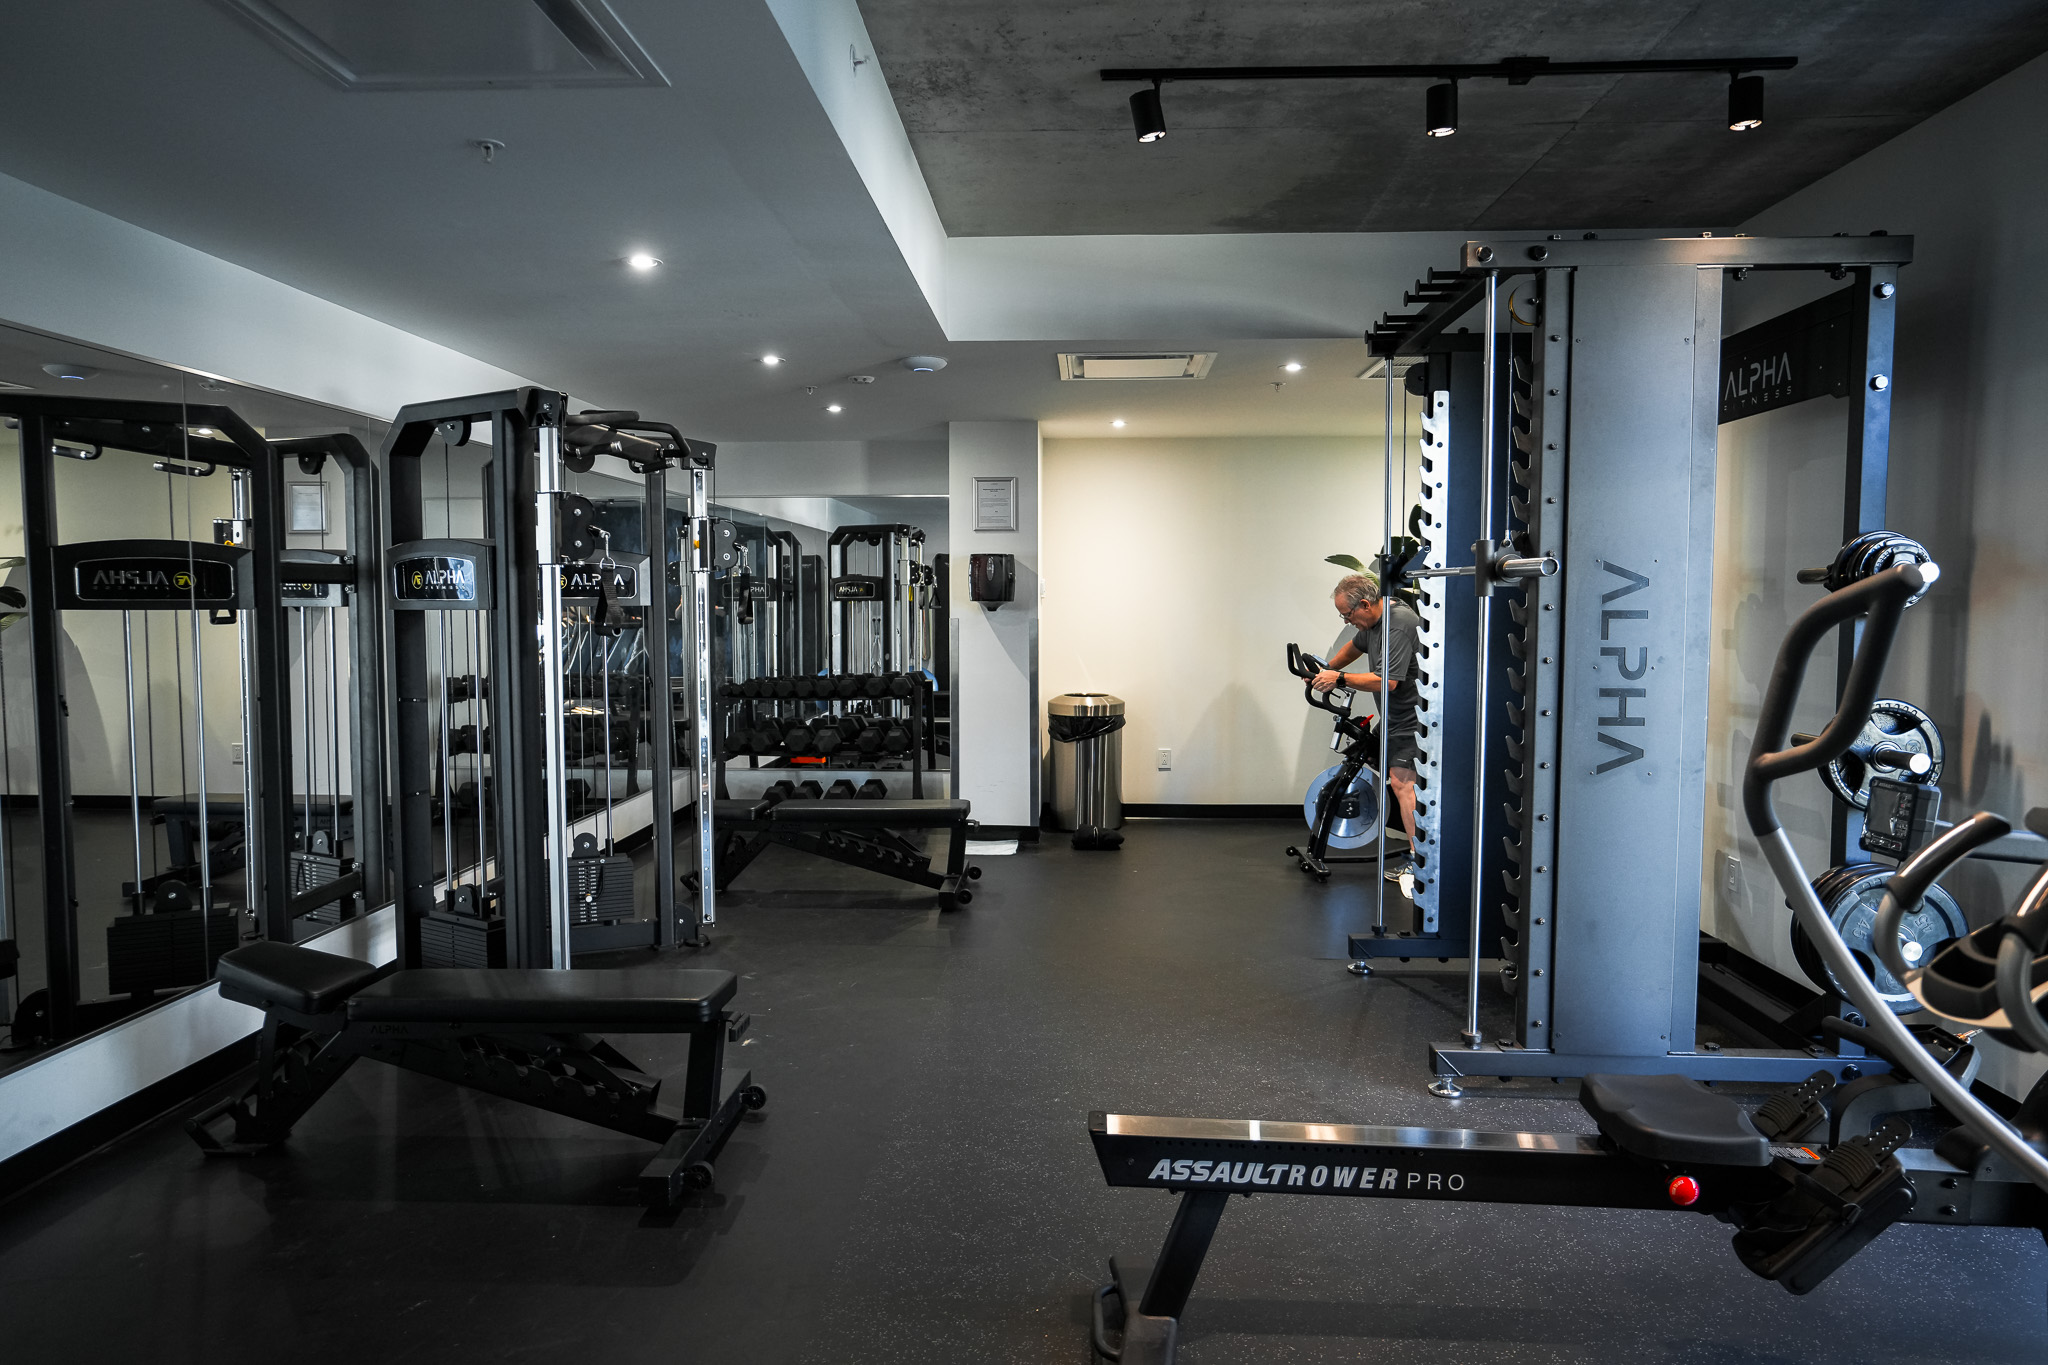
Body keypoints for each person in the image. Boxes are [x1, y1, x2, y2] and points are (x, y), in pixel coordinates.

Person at [1312, 572, 1421, 880]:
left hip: (1413, 717)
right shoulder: (1373, 622)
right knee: (1366, 753)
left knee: (1402, 784)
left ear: (1364, 604)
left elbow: (1388, 681)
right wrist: (1326, 669)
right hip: (1393, 717)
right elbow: (1354, 646)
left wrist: (1339, 679)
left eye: (1347, 615)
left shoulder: (1397, 624)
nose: (1347, 621)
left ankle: (1421, 864)